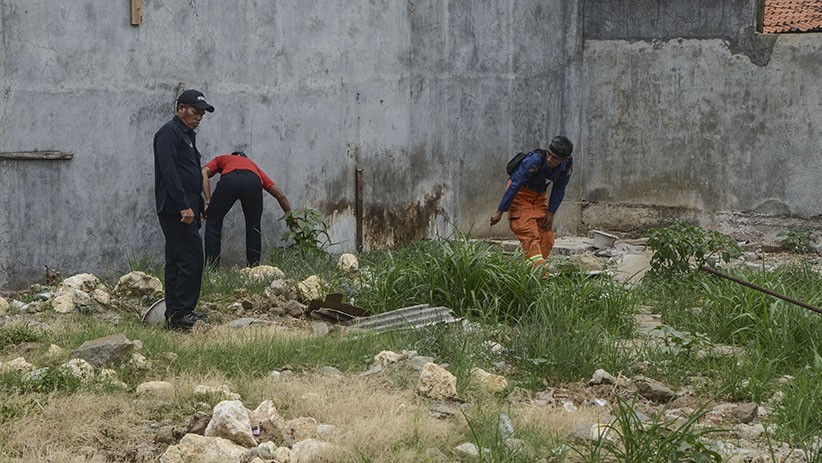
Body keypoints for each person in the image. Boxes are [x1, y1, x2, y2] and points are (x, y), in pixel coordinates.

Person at [153, 89, 214, 330]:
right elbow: (169, 172)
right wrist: (183, 206)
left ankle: (176, 313)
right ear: (181, 108)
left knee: (178, 260)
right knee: (191, 258)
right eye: (195, 112)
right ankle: (181, 313)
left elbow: (190, 174)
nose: (198, 117)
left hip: (187, 209)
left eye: (202, 114)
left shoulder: (186, 135)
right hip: (175, 210)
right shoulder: (169, 133)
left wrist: (197, 205)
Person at [490, 136, 574, 272]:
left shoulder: (567, 165)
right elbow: (515, 184)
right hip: (520, 194)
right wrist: (500, 211)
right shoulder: (534, 160)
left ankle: (531, 271)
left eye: (555, 158)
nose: (549, 159)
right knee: (529, 234)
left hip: (539, 197)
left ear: (564, 159)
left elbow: (559, 188)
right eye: (549, 154)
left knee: (547, 237)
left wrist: (551, 212)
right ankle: (540, 275)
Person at [201, 151, 295, 267]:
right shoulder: (253, 166)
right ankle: (253, 269)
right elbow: (280, 195)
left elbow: (204, 172)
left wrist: (208, 200)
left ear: (233, 156)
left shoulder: (222, 158)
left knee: (213, 221)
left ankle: (212, 269)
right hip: (253, 181)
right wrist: (291, 219)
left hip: (229, 180)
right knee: (254, 227)